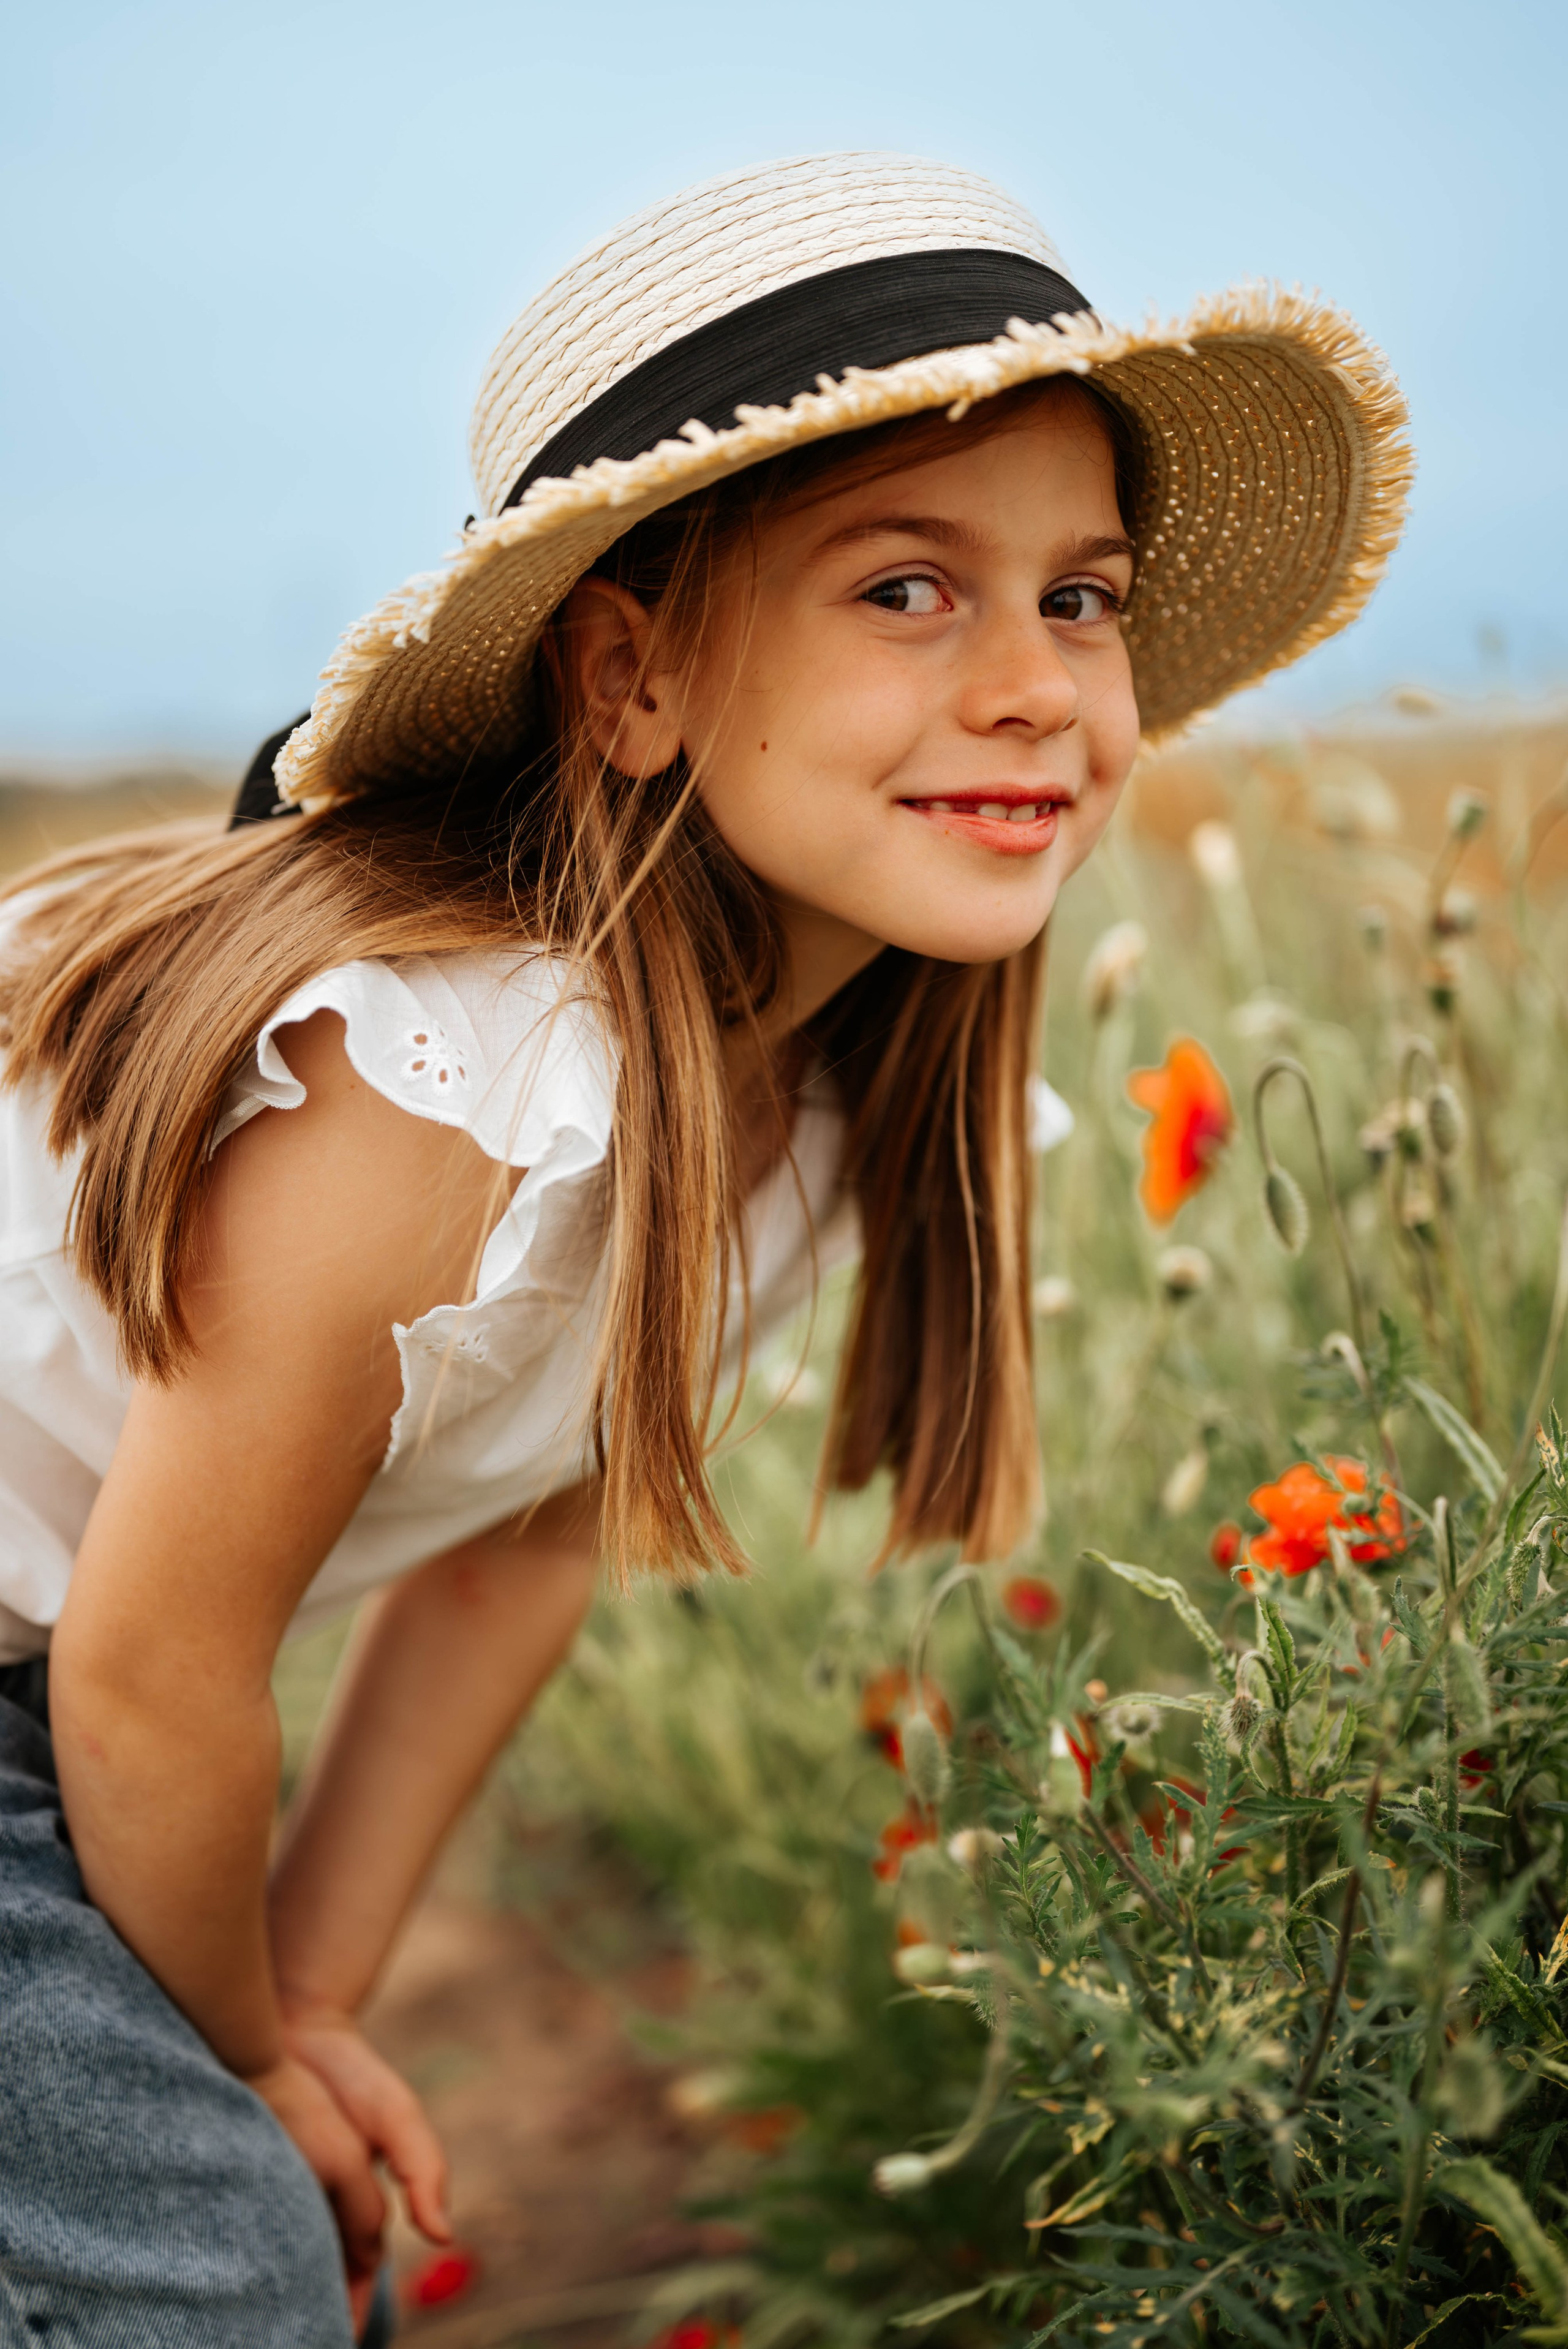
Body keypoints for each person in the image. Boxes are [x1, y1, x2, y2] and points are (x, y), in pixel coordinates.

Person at [0, 153, 1410, 2344]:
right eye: (909, 591)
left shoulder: (788, 1114)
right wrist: (250, 2056)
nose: (1043, 683)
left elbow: (513, 1556)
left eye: (1085, 594)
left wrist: (313, 2001)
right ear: (634, 676)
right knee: (218, 2267)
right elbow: (155, 1673)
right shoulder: (440, 1076)